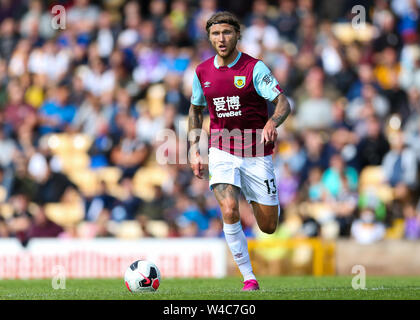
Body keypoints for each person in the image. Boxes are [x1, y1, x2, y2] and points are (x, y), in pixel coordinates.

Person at [187, 11, 291, 291]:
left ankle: (255, 198)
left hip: (257, 152)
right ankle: (249, 278)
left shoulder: (254, 68)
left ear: (237, 35)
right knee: (229, 208)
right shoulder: (202, 72)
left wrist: (272, 121)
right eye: (215, 34)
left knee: (268, 227)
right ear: (209, 37)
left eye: (227, 33)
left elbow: (283, 103)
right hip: (221, 149)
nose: (221, 39)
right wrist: (195, 149)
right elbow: (196, 110)